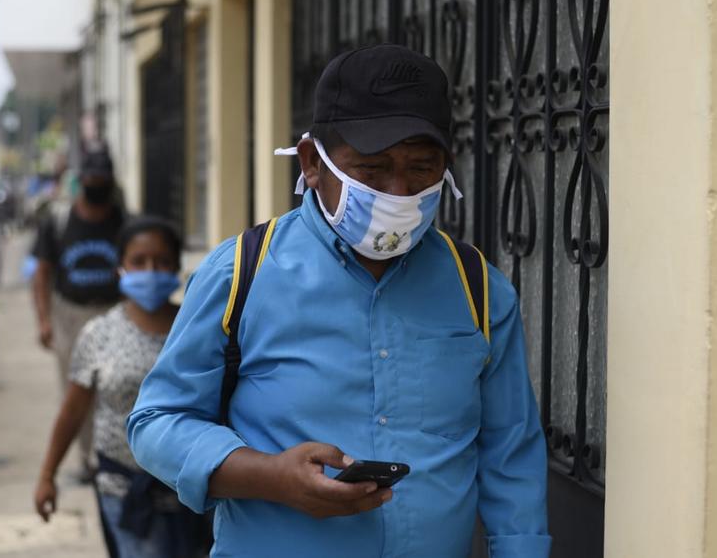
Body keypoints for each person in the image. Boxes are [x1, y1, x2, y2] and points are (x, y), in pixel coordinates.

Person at [127, 44, 551, 557]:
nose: (398, 191)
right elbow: (157, 423)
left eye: (421, 168)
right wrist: (270, 477)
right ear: (312, 162)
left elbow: (512, 459)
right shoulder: (240, 273)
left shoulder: (480, 289)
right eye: (373, 169)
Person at [34, 217, 211, 558]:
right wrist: (47, 475)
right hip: (124, 489)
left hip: (196, 490)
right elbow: (73, 410)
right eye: (138, 262)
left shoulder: (196, 328)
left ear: (176, 267)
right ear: (120, 268)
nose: (150, 270)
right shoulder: (99, 334)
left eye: (161, 262)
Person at [32, 150, 125, 481]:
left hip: (115, 311)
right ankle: (88, 458)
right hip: (70, 314)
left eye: (102, 180)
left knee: (115, 386)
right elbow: (42, 273)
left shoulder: (123, 221)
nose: (96, 185)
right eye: (91, 179)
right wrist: (43, 320)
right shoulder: (58, 222)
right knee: (78, 389)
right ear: (81, 180)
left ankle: (114, 454)